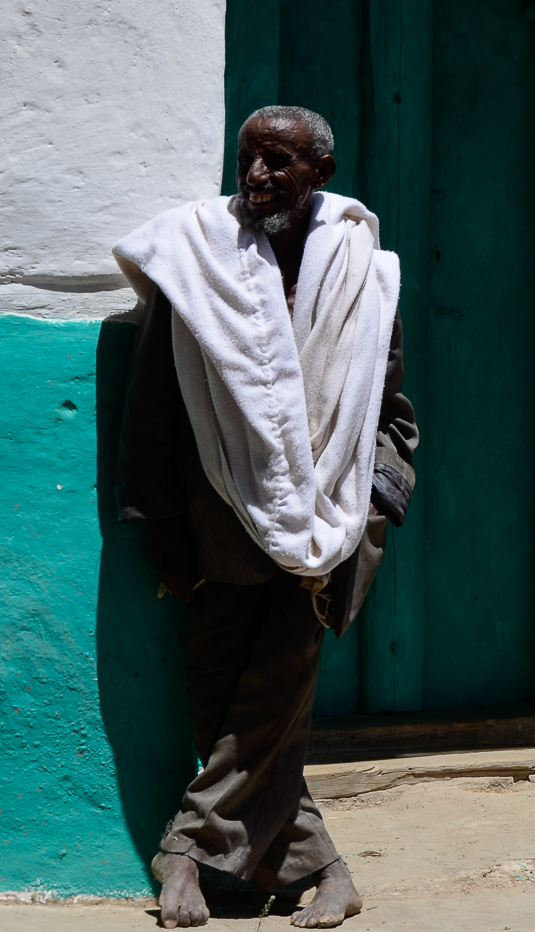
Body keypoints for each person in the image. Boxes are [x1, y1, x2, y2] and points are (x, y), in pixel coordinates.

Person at [113, 105, 418, 928]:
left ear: (319, 171)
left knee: (269, 700)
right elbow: (155, 411)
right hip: (216, 533)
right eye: (247, 159)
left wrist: (379, 499)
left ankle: (182, 854)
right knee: (226, 708)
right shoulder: (198, 265)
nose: (255, 177)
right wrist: (164, 527)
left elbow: (391, 413)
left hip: (325, 536)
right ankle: (332, 874)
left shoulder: (363, 274)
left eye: (277, 162)